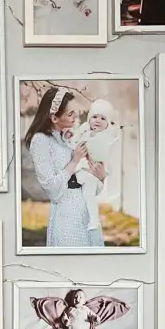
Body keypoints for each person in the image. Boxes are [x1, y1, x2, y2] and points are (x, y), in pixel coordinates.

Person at [25, 86, 102, 248]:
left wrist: (99, 176)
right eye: (70, 114)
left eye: (75, 111)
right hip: (67, 216)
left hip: (86, 212)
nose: (76, 117)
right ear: (54, 118)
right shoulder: (40, 141)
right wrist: (74, 161)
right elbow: (52, 189)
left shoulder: (67, 137)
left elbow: (90, 186)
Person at [73, 100, 118, 247]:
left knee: (89, 193)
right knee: (83, 183)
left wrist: (103, 173)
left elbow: (106, 156)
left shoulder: (107, 136)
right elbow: (74, 140)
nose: (98, 121)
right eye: (95, 117)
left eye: (103, 118)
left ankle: (93, 220)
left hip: (95, 175)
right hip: (83, 171)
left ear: (108, 123)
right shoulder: (84, 129)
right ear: (89, 118)